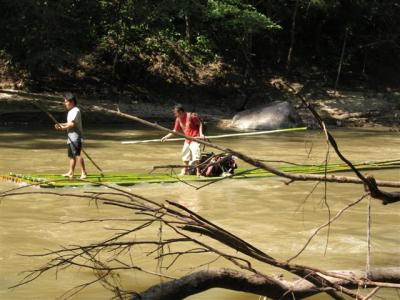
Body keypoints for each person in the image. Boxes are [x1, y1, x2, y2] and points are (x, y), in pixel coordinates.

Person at [161, 104, 204, 176]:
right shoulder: (178, 119)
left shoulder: (191, 116)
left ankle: (198, 172)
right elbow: (175, 130)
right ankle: (185, 171)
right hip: (187, 140)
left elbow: (200, 124)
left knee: (196, 156)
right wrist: (166, 137)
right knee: (185, 156)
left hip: (195, 138)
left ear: (180, 112)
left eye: (176, 113)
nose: (175, 115)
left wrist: (201, 134)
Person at [54, 93, 87, 179]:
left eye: (66, 102)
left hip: (76, 137)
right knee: (71, 155)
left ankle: (84, 172)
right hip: (70, 136)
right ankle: (70, 172)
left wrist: (62, 128)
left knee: (77, 154)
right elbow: (69, 123)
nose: (65, 103)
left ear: (71, 102)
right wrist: (60, 124)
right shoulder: (71, 111)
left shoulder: (76, 110)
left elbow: (72, 124)